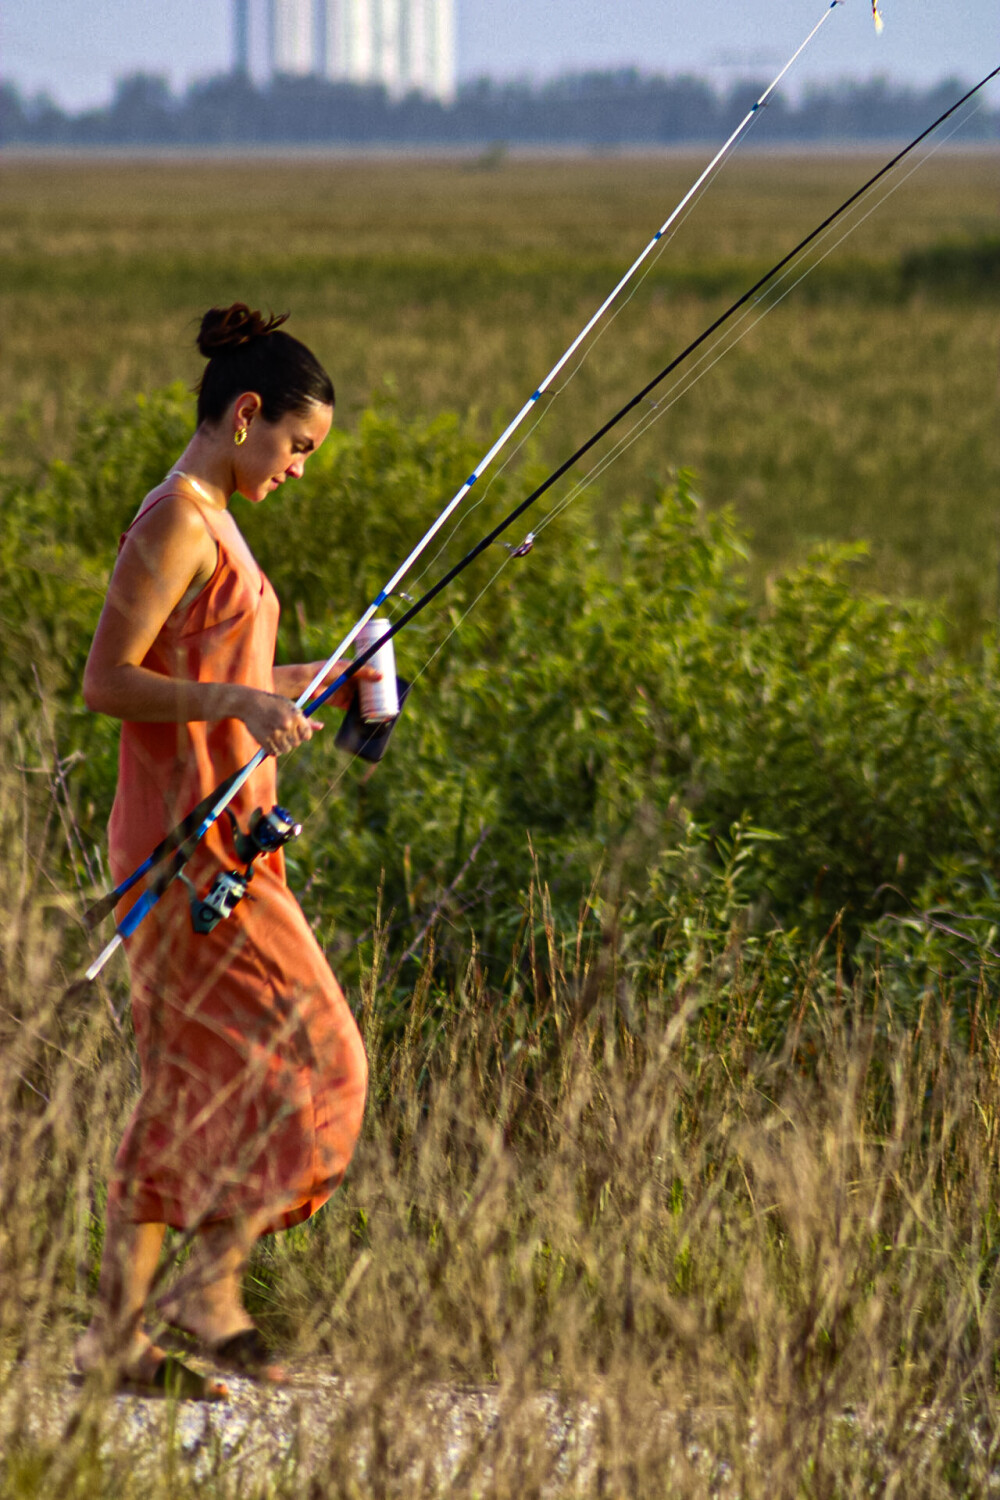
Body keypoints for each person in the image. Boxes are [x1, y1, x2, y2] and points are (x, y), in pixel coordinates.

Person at [75, 303, 374, 1398]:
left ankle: (112, 1340)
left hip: (230, 836)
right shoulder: (177, 519)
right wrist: (241, 698)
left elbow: (218, 675)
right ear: (245, 413)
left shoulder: (218, 517)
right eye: (297, 445)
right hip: (183, 852)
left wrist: (304, 683)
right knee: (326, 1060)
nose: (300, 468)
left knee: (191, 1084)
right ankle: (209, 1287)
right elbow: (109, 680)